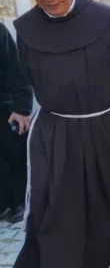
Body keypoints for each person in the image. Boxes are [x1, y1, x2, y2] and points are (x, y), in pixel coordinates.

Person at [13, 0, 110, 267]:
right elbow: (27, 73)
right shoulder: (26, 28)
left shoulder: (107, 18)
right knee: (63, 191)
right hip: (60, 125)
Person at [0, 22, 32, 224]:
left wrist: (21, 108)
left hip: (2, 104)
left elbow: (15, 68)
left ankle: (18, 201)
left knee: (9, 156)